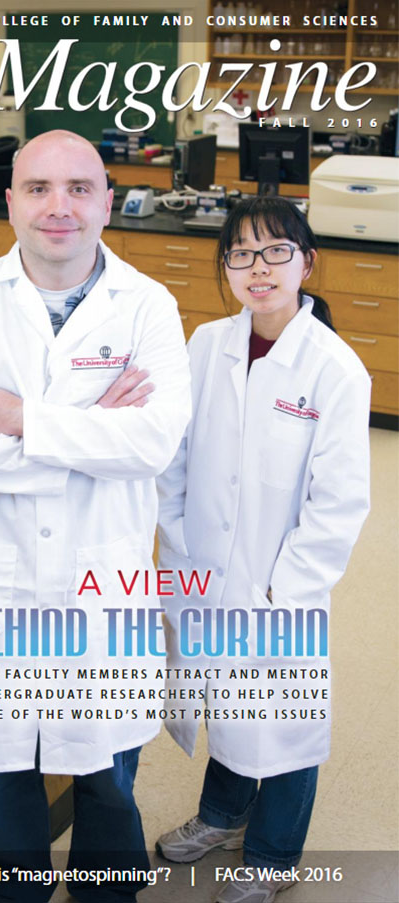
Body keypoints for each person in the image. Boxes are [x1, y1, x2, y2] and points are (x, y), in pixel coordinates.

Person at [0, 129, 191, 902]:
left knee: (106, 768)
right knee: (3, 767)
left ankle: (107, 887)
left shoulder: (148, 306)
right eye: (38, 188)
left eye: (78, 188)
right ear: (10, 203)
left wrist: (19, 418)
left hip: (105, 582)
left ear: (108, 201)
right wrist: (92, 425)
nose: (58, 206)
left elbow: (154, 442)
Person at [155, 197, 371, 903]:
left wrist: (286, 588)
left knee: (281, 718)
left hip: (280, 586)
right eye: (241, 253)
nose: (258, 266)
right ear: (226, 269)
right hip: (203, 567)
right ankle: (222, 814)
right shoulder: (205, 345)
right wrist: (177, 538)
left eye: (276, 250)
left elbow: (338, 501)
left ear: (307, 263)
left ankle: (274, 855)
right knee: (225, 697)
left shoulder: (334, 370)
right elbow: (175, 459)